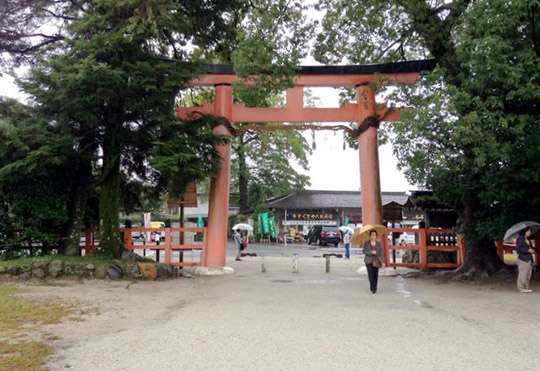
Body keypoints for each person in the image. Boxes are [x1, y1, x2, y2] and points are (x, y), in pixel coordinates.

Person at [362, 229, 385, 294]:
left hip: (376, 261)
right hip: (368, 261)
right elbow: (364, 251)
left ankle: (375, 287)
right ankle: (373, 288)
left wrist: (383, 261)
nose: (373, 236)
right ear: (370, 236)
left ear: (376, 236)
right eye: (372, 235)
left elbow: (381, 253)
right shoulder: (367, 243)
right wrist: (371, 252)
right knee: (371, 275)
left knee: (375, 275)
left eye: (374, 235)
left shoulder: (378, 244)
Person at [516, 227, 535, 293]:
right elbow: (519, 249)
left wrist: (532, 249)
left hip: (529, 258)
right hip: (523, 259)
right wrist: (528, 250)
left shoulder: (528, 239)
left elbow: (531, 248)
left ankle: (526, 287)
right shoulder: (520, 239)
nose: (530, 232)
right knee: (523, 274)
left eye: (530, 231)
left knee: (528, 274)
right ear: (524, 231)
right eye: (528, 231)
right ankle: (521, 288)